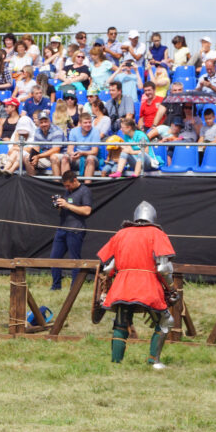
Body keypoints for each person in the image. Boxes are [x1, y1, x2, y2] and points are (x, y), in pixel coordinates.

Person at [95, 201, 176, 370]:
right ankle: (154, 361)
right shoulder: (157, 233)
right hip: (147, 286)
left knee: (120, 322)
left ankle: (116, 362)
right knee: (166, 320)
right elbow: (163, 268)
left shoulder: (121, 234)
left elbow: (108, 267)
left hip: (122, 286)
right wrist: (171, 289)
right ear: (152, 218)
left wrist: (106, 289)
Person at [50, 170, 92, 291]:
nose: (66, 187)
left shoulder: (85, 191)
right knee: (54, 258)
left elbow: (87, 211)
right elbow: (64, 210)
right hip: (62, 229)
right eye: (65, 186)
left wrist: (67, 205)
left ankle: (74, 288)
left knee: (74, 260)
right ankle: (56, 286)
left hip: (76, 230)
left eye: (68, 185)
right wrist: (58, 206)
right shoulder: (67, 191)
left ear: (75, 180)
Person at [28, 112, 66, 177]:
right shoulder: (38, 131)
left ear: (50, 121)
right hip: (45, 157)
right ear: (39, 123)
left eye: (45, 121)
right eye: (41, 122)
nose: (43, 124)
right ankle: (33, 182)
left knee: (53, 157)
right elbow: (36, 148)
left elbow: (56, 150)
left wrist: (38, 156)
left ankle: (56, 184)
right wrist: (33, 157)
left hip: (61, 156)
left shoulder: (57, 131)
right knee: (27, 159)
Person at [64, 113, 100, 179]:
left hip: (90, 157)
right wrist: (73, 154)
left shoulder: (95, 131)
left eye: (89, 122)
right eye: (85, 123)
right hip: (78, 156)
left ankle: (87, 185)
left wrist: (82, 153)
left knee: (90, 159)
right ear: (80, 123)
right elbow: (69, 150)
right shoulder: (74, 131)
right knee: (65, 158)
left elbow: (95, 152)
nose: (88, 124)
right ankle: (67, 184)